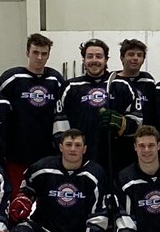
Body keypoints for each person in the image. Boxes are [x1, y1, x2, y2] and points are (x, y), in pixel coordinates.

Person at [53, 39, 139, 171]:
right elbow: (60, 127)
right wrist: (69, 153)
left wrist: (122, 124)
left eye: (99, 56)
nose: (94, 60)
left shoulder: (122, 86)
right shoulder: (70, 87)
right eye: (90, 56)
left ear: (106, 60)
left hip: (116, 163)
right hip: (80, 163)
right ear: (84, 60)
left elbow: (138, 125)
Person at [0, 33, 66, 196]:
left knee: (44, 197)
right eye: (35, 52)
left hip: (47, 154)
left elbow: (64, 112)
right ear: (28, 52)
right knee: (16, 197)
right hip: (16, 154)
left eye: (44, 53)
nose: (39, 58)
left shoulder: (55, 79)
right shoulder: (11, 78)